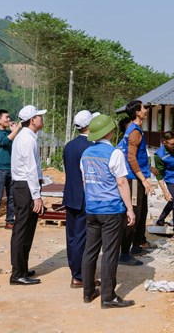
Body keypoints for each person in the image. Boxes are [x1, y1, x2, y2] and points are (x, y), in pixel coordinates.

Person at [80, 114, 136, 308]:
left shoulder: (86, 154)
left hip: (92, 208)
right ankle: (108, 297)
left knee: (90, 251)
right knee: (110, 253)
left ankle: (88, 292)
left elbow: (85, 182)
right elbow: (121, 182)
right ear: (110, 132)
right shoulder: (115, 153)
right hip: (111, 209)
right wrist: (130, 208)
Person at [9, 104, 46, 285]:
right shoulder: (27, 139)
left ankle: (22, 268)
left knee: (26, 229)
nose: (42, 119)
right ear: (32, 120)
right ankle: (17, 273)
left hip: (24, 186)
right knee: (22, 229)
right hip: (25, 187)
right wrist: (36, 195)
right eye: (39, 116)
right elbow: (30, 170)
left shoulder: (26, 136)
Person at [117, 100, 154, 266]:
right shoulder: (134, 132)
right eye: (143, 108)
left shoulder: (135, 129)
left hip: (137, 177)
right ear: (138, 112)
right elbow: (131, 157)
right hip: (133, 179)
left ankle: (136, 246)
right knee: (133, 215)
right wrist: (144, 180)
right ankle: (124, 253)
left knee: (142, 212)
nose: (146, 110)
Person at [62, 110, 97, 288]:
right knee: (82, 237)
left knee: (72, 236)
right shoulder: (91, 146)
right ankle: (79, 275)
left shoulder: (69, 146)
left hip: (70, 195)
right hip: (85, 197)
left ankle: (75, 271)